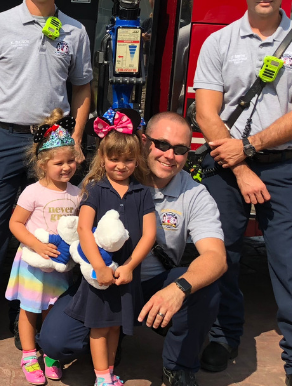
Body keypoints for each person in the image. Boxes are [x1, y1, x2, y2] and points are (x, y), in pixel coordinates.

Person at [194, 0, 292, 386]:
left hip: (281, 168)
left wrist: (248, 148)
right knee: (221, 257)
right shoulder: (219, 42)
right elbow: (206, 113)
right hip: (228, 168)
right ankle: (222, 336)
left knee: (289, 266)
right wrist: (241, 167)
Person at [0, 0, 93, 358]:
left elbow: (83, 88)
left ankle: (31, 322)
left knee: (52, 230)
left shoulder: (75, 30)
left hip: (51, 141)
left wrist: (74, 140)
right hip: (3, 137)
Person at [37, 111, 229, 386]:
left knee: (204, 285)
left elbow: (216, 257)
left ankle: (179, 367)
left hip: (153, 285)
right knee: (56, 342)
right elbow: (75, 228)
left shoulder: (195, 194)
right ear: (143, 141)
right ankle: (111, 340)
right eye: (161, 144)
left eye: (180, 149)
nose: (169, 155)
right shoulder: (101, 184)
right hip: (101, 281)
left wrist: (178, 290)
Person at [71, 109, 157, 386]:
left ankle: (109, 371)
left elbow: (149, 235)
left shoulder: (143, 193)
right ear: (103, 158)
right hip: (99, 274)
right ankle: (101, 377)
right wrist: (98, 266)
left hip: (126, 275)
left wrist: (130, 266)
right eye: (114, 159)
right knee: (98, 326)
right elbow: (84, 228)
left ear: (137, 160)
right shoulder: (96, 189)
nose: (120, 166)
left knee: (115, 325)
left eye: (128, 160)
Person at [5, 109, 82, 384]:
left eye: (71, 161)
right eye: (59, 163)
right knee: (29, 309)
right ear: (42, 165)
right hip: (33, 263)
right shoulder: (32, 192)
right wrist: (36, 245)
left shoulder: (77, 193)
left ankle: (49, 352)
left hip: (60, 266)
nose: (66, 167)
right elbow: (16, 224)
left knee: (52, 308)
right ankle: (28, 354)